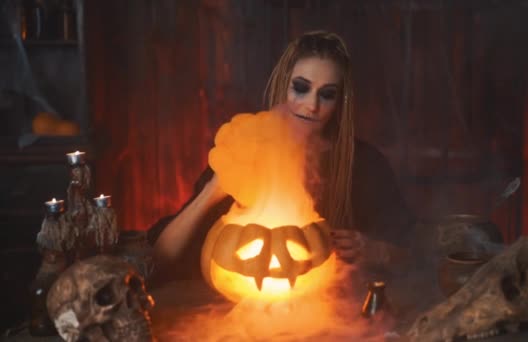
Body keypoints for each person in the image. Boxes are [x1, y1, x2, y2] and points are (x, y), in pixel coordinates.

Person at [148, 31, 414, 283]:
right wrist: (212, 190)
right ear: (282, 86)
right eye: (301, 88)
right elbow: (161, 259)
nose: (312, 105)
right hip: (237, 315)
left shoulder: (365, 164)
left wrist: (378, 251)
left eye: (327, 94)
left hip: (338, 314)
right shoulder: (245, 151)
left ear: (341, 101)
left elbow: (418, 256)